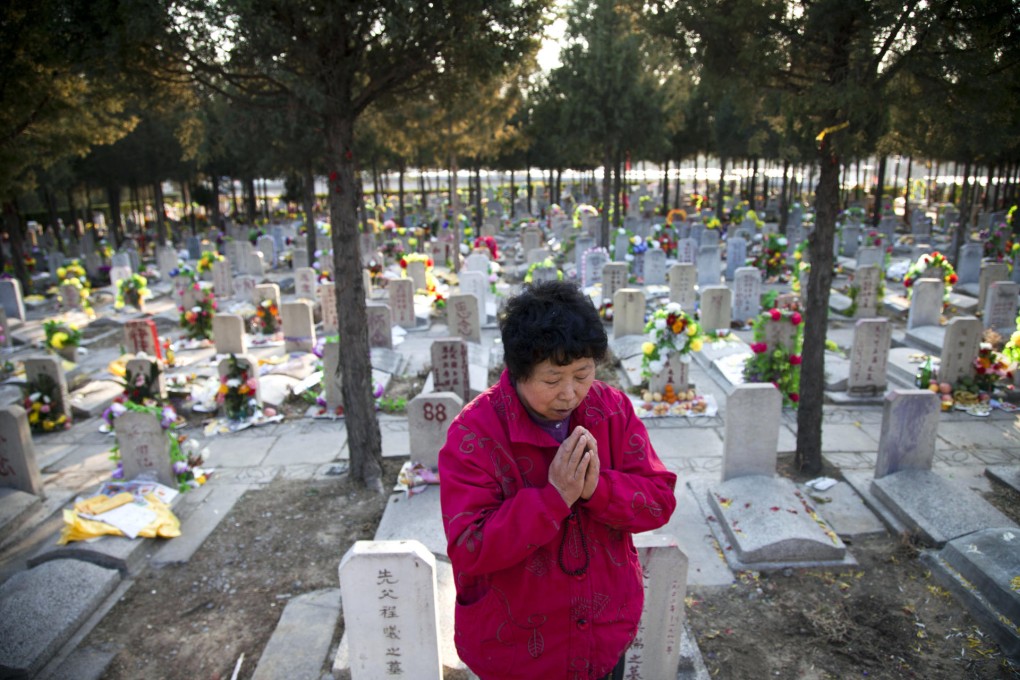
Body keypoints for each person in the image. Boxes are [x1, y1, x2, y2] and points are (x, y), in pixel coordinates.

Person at [438, 280, 678, 680]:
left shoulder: (611, 409)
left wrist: (596, 490)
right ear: (517, 372)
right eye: (552, 380)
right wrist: (553, 499)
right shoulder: (474, 434)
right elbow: (469, 547)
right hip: (517, 648)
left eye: (582, 374)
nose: (570, 394)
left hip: (603, 629)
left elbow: (658, 500)